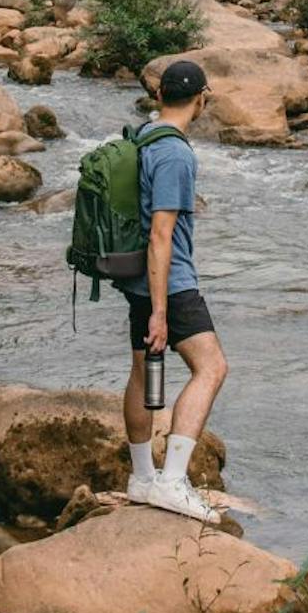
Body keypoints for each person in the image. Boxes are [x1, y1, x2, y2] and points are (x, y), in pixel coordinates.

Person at [120, 57, 227, 522]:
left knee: (142, 374)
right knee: (212, 368)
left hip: (137, 279)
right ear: (201, 99)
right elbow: (161, 233)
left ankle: (142, 478)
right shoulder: (176, 153)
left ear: (160, 96)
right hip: (170, 281)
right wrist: (161, 311)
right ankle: (172, 481)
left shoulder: (144, 135)